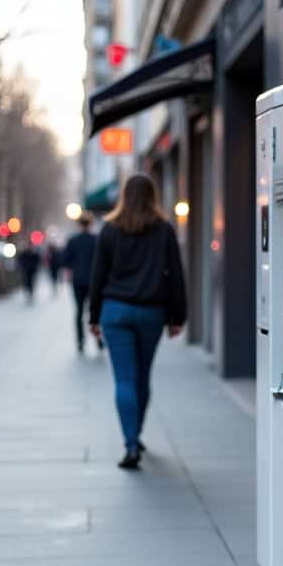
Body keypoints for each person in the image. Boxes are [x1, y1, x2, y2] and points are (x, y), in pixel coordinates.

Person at [88, 175, 187, 469]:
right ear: (152, 196)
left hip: (115, 311)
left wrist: (93, 316)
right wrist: (177, 317)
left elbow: (98, 276)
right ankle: (136, 434)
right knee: (142, 376)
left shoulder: (109, 230)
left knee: (124, 379)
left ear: (123, 197)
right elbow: (176, 276)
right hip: (150, 312)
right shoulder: (164, 230)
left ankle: (131, 442)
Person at [61, 216, 100, 353]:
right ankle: (98, 339)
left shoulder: (73, 240)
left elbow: (65, 260)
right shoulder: (96, 240)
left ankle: (80, 341)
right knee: (95, 310)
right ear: (90, 224)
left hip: (77, 280)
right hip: (94, 281)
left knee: (78, 311)